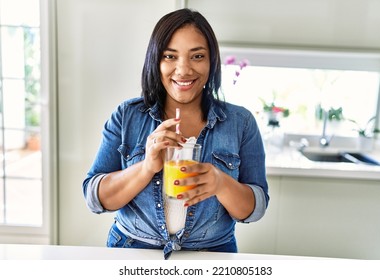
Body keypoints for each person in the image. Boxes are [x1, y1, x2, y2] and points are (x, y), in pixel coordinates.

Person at [82, 8, 269, 259]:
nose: (183, 70)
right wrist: (146, 167)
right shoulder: (127, 116)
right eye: (170, 56)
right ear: (155, 61)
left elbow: (255, 209)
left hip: (213, 255)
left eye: (197, 56)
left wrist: (220, 183)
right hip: (131, 251)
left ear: (212, 61)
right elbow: (95, 198)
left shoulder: (240, 122)